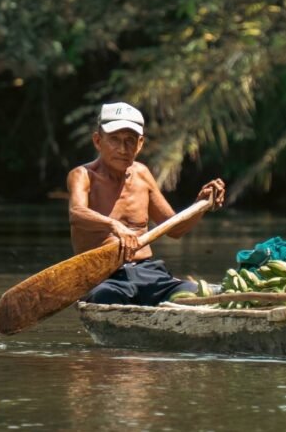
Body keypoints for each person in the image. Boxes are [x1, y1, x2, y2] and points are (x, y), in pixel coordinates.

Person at [67, 101, 226, 305]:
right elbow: (76, 213)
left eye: (130, 141)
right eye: (114, 140)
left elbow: (174, 229)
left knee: (200, 295)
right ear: (98, 141)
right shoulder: (82, 176)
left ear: (140, 144)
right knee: (104, 297)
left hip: (149, 274)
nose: (123, 149)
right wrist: (114, 226)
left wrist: (200, 204)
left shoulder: (141, 174)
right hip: (103, 278)